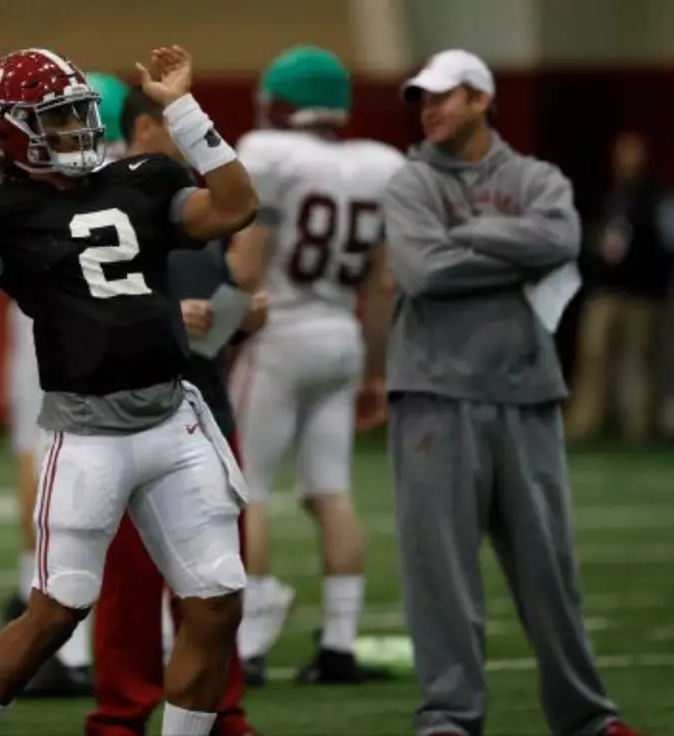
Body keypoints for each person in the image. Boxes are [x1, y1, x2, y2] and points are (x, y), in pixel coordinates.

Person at [0, 45, 257, 736]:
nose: (78, 132)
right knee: (56, 610)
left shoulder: (143, 178)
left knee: (215, 600)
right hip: (88, 431)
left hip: (172, 419)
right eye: (57, 120)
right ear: (13, 132)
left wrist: (182, 108)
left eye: (78, 116)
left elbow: (236, 206)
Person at [385, 49, 643, 736]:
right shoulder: (409, 182)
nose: (428, 108)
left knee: (550, 573)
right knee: (439, 575)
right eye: (421, 98)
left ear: (479, 98)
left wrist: (466, 234)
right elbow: (421, 272)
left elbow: (560, 238)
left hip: (526, 392)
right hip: (432, 395)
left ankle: (586, 717)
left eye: (442, 96)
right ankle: (447, 717)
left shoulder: (536, 177)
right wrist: (513, 249)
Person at [86, 85, 266, 736]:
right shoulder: (100, 203)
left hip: (206, 409)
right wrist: (168, 319)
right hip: (127, 415)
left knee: (216, 583)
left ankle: (221, 707)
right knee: (129, 586)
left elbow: (222, 304)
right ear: (142, 127)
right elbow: (81, 314)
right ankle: (120, 714)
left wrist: (238, 318)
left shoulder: (198, 204)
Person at [226, 45, 403, 685]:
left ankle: (244, 644)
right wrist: (375, 373)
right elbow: (382, 289)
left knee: (244, 490)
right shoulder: (381, 164)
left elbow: (247, 268)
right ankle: (339, 643)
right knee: (331, 491)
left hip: (280, 335)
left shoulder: (271, 154)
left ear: (284, 102)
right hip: (343, 338)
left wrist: (212, 336)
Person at [0, 72, 132, 698]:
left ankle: (55, 629)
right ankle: (135, 631)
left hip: (56, 326)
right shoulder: (144, 177)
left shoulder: (40, 179)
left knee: (45, 462)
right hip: (133, 332)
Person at [567, 130, 672, 442]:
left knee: (637, 362)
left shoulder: (656, 196)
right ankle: (585, 424)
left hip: (642, 294)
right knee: (593, 356)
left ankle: (638, 427)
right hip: (605, 292)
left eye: (633, 152)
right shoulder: (608, 194)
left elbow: (665, 244)